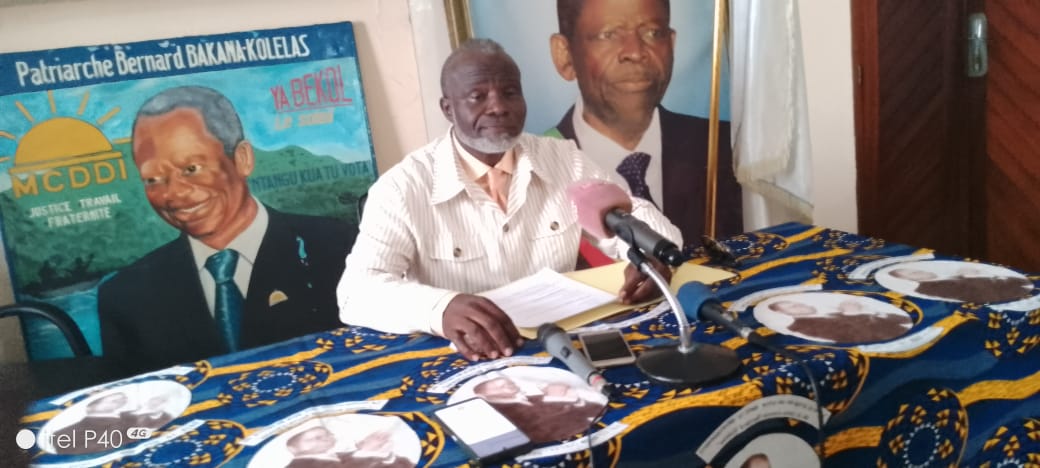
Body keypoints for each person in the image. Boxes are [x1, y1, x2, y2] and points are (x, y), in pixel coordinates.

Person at [336, 39, 681, 362]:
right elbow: (356, 292)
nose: (498, 107)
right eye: (477, 96)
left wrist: (651, 255)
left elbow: (630, 212)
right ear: (448, 109)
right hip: (465, 359)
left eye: (510, 93)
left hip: (560, 346)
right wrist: (440, 308)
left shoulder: (565, 160)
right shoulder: (401, 188)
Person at [99, 86, 358, 374]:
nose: (174, 194)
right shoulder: (125, 298)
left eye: (191, 169)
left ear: (242, 158)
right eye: (153, 179)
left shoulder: (339, 249)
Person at [547, 0, 743, 246]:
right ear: (565, 55)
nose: (635, 52)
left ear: (671, 44)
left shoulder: (728, 149)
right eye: (608, 35)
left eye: (652, 33)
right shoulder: (538, 173)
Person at [471, 375, 605, 444]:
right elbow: (538, 432)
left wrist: (572, 398)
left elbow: (596, 408)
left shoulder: (535, 397)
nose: (509, 385)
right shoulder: (497, 413)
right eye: (501, 386)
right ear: (487, 395)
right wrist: (554, 398)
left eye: (509, 382)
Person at [766, 298, 912, 344]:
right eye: (793, 307)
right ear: (782, 313)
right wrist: (854, 313)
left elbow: (904, 320)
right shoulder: (801, 327)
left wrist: (874, 312)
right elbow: (860, 338)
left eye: (797, 302)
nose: (801, 305)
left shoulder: (835, 313)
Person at [51, 392, 138, 455]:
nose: (116, 400)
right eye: (111, 399)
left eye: (122, 398)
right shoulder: (61, 435)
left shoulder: (136, 419)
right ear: (89, 407)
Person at [888, 266, 1033, 304]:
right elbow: (984, 297)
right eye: (913, 273)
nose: (919, 271)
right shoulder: (926, 289)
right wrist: (973, 277)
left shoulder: (952, 272)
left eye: (915, 269)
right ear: (908, 279)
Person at [283, 426, 411, 468]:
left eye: (328, 434)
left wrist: (383, 452)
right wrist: (366, 452)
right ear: (292, 448)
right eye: (316, 438)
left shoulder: (346, 456)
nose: (325, 439)